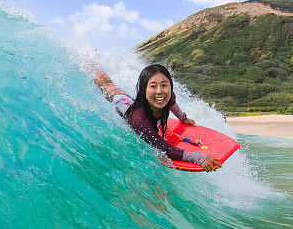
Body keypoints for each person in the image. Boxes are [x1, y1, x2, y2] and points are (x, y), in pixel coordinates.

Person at [93, 64, 221, 172]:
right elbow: (166, 149)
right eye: (153, 86)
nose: (160, 91)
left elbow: (173, 104)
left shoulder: (168, 96)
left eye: (164, 85)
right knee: (108, 88)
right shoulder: (139, 119)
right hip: (120, 103)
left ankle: (96, 67)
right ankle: (92, 67)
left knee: (113, 87)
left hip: (133, 102)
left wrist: (183, 118)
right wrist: (199, 158)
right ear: (144, 89)